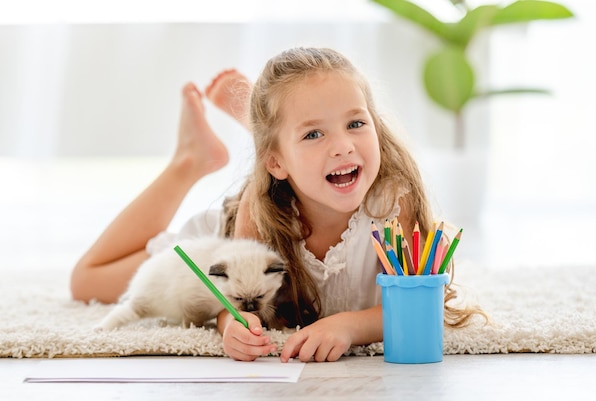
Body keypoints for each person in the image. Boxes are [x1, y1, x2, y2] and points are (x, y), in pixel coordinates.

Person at [71, 47, 484, 363]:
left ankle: (276, 128)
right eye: (314, 134)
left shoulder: (392, 200)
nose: (343, 146)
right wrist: (230, 322)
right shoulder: (259, 206)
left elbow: (421, 304)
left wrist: (349, 326)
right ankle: (190, 161)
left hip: (284, 170)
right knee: (86, 281)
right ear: (275, 164)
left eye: (356, 124)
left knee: (301, 138)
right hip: (220, 238)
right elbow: (229, 302)